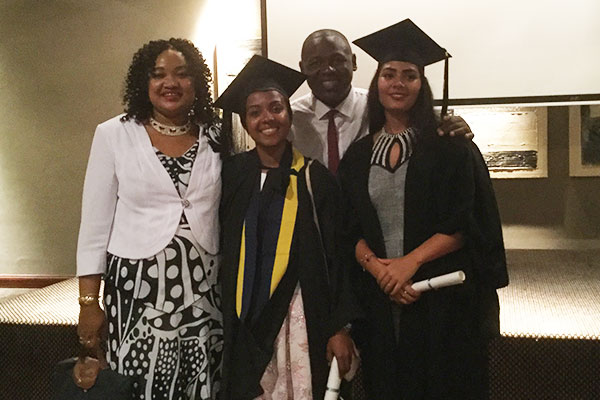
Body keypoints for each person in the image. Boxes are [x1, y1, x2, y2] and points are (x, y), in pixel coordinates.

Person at [338, 20, 508, 399]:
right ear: (377, 81)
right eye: (389, 74)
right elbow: (349, 229)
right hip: (381, 302)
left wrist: (408, 263)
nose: (398, 83)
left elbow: (466, 220)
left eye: (410, 76)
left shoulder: (450, 146)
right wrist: (380, 270)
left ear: (422, 85)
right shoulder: (358, 156)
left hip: (441, 301)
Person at [75, 38, 223, 400]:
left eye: (182, 74)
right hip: (138, 295)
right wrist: (89, 304)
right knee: (139, 384)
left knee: (202, 383)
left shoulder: (218, 134)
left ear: (197, 83)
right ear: (144, 82)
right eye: (158, 75)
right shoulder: (114, 134)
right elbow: (94, 227)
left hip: (206, 293)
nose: (169, 83)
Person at [215, 55, 360, 400]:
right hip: (242, 321)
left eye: (276, 107)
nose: (267, 118)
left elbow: (337, 259)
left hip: (299, 319)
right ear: (246, 123)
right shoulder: (231, 176)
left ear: (290, 115)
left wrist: (340, 326)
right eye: (255, 111)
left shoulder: (314, 179)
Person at [290, 28, 474, 173]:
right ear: (302, 67)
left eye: (337, 60)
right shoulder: (289, 120)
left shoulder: (380, 107)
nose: (328, 69)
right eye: (315, 63)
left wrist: (453, 126)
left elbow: (421, 120)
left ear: (353, 62)